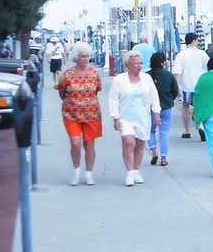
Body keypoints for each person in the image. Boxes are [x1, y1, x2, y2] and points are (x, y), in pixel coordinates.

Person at [108, 50, 161, 187]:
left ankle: (136, 169)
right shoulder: (119, 80)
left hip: (143, 117)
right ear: (128, 65)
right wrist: (115, 117)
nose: (138, 66)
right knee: (128, 142)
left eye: (140, 63)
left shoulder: (146, 79)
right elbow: (113, 99)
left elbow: (154, 96)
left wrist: (156, 112)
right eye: (135, 63)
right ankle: (129, 172)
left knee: (140, 144)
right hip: (125, 117)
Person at [57, 41, 103, 186]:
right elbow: (62, 92)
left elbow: (96, 91)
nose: (85, 59)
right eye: (82, 56)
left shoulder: (94, 75)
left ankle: (89, 173)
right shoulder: (67, 75)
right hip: (72, 115)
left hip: (91, 114)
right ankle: (76, 170)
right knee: (76, 143)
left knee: (89, 144)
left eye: (87, 56)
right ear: (76, 57)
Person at [172, 32, 209, 140]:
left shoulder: (181, 55)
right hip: (200, 85)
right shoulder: (202, 54)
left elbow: (177, 73)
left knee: (185, 107)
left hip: (186, 85)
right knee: (199, 107)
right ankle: (201, 126)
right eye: (197, 40)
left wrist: (176, 88)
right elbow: (209, 67)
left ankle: (187, 131)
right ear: (193, 41)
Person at [147, 51, 180, 167]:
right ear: (162, 63)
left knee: (150, 131)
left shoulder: (147, 76)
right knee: (164, 133)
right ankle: (164, 158)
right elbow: (175, 90)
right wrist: (170, 99)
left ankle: (154, 151)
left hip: (150, 110)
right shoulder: (169, 75)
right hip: (166, 107)